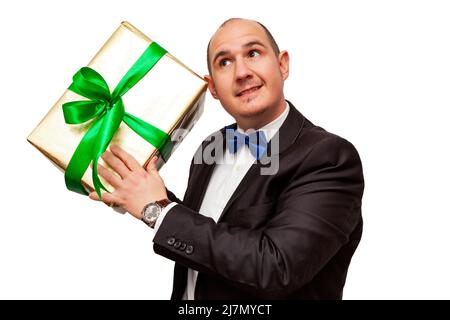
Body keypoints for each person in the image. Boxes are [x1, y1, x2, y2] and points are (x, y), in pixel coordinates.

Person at [89, 18, 365, 300]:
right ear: (212, 88)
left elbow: (276, 267)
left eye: (253, 53)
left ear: (282, 64)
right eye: (224, 62)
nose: (242, 71)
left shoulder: (329, 157)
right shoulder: (211, 148)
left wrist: (159, 211)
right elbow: (211, 236)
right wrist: (138, 192)